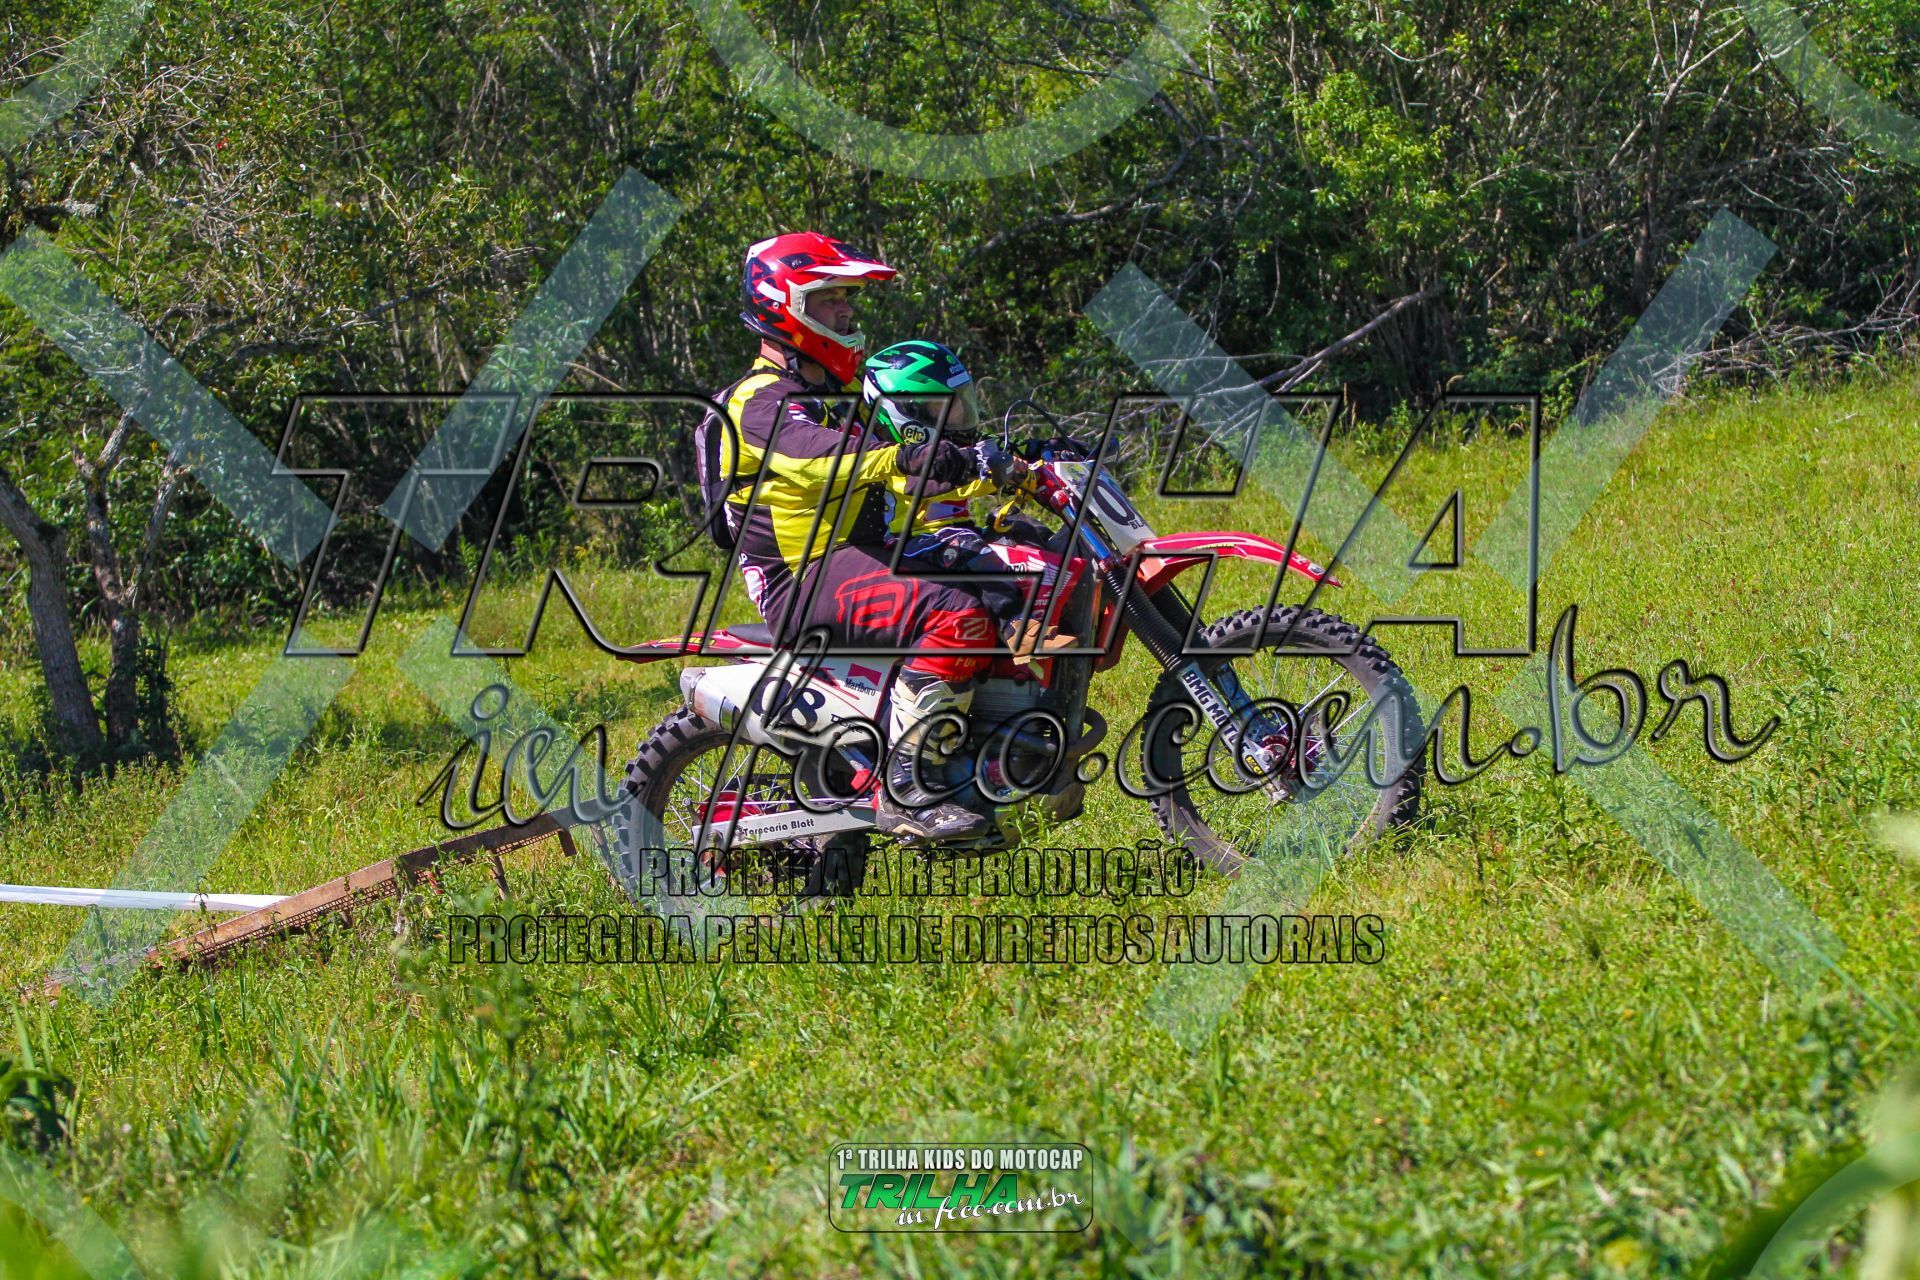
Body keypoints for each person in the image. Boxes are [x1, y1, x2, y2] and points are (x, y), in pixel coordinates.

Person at [697, 232, 1019, 840]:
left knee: (1011, 573)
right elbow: (822, 459)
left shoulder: (836, 393)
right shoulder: (758, 402)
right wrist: (907, 456)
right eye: (829, 299)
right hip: (801, 578)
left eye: (847, 298)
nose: (845, 311)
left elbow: (910, 476)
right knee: (955, 614)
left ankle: (988, 758)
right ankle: (908, 788)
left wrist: (1008, 470)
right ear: (784, 303)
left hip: (860, 556)